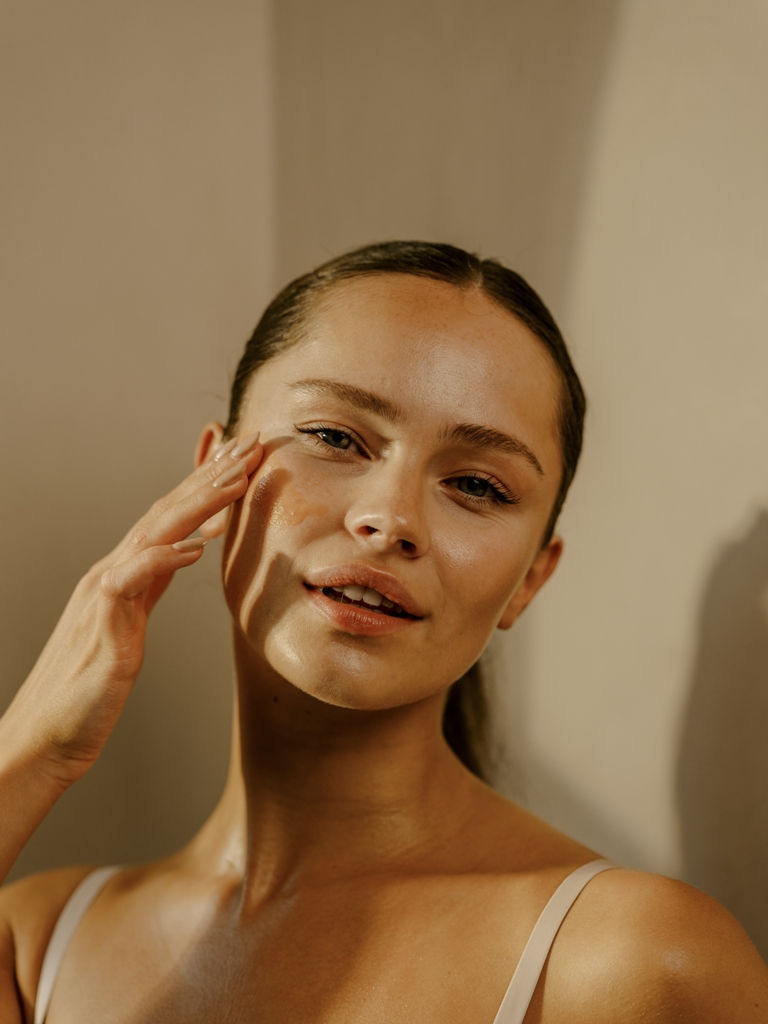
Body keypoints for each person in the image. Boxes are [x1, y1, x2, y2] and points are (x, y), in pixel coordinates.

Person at [0, 241, 765, 1023]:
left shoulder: (635, 963)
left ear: (530, 578)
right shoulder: (33, 945)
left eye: (475, 485)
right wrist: (30, 750)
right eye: (336, 438)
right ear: (212, 481)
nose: (390, 519)